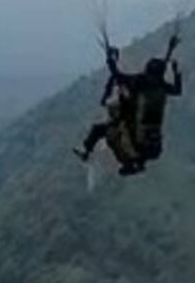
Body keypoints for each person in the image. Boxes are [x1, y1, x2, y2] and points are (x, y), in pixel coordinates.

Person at [75, 34, 183, 176]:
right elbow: (177, 89)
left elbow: (117, 75)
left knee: (100, 130)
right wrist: (176, 71)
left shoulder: (139, 82)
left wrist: (110, 60)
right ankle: (135, 163)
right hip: (153, 145)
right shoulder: (161, 86)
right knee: (124, 127)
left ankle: (87, 151)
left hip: (136, 138)